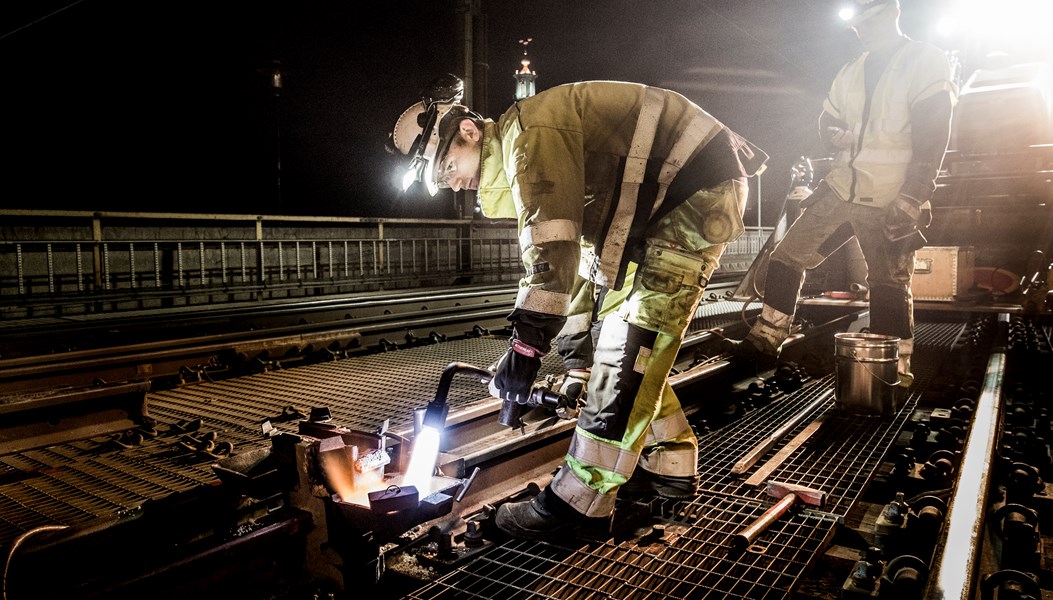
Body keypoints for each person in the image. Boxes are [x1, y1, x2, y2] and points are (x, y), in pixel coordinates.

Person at [390, 75, 767, 539]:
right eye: (440, 180)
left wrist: (526, 350)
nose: (451, 184)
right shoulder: (527, 149)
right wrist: (574, 363)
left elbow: (552, 251)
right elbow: (583, 266)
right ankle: (668, 462)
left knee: (630, 344)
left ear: (468, 131)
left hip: (691, 193)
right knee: (620, 341)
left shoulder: (530, 133)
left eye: (446, 166)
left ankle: (579, 504)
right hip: (666, 203)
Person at [725, 0, 957, 386]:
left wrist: (913, 196)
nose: (860, 31)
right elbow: (827, 117)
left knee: (887, 282)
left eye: (866, 22)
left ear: (890, 14)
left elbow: (934, 137)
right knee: (786, 257)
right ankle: (767, 338)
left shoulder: (924, 61)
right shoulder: (852, 71)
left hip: (889, 195)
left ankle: (893, 368)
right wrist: (831, 130)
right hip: (840, 188)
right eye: (857, 25)